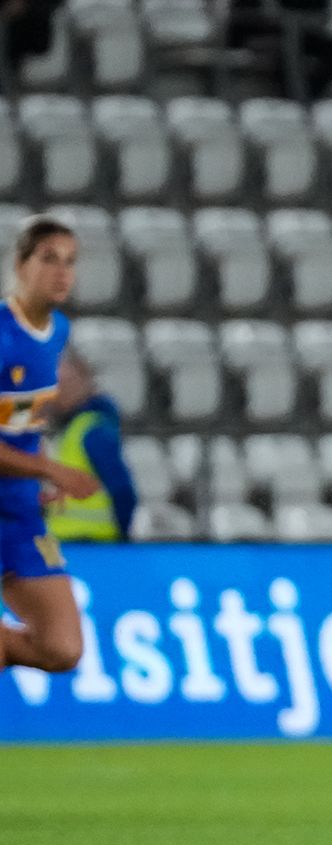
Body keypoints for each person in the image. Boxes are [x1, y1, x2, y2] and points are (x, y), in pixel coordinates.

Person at [0, 215, 98, 675]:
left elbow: (22, 421)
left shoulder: (57, 332)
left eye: (70, 262)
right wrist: (51, 471)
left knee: (63, 649)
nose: (62, 272)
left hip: (19, 508)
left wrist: (41, 465)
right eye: (49, 259)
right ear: (20, 266)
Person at [43, 353, 137, 542]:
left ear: (85, 383)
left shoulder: (93, 430)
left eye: (67, 384)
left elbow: (121, 489)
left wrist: (123, 538)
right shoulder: (71, 429)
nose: (60, 392)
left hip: (91, 541)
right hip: (69, 541)